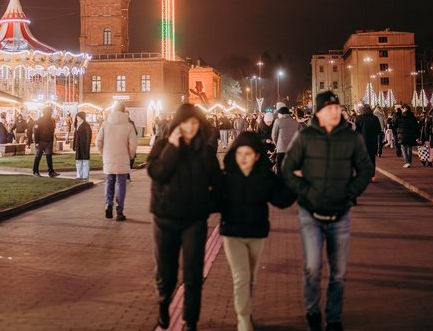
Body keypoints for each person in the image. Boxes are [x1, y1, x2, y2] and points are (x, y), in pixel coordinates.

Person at [282, 91, 372, 331]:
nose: (335, 111)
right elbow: (287, 168)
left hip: (340, 213)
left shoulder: (351, 138)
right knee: (312, 268)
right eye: (329, 108)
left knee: (339, 273)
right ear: (318, 113)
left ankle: (333, 318)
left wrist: (350, 192)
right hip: (310, 213)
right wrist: (305, 192)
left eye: (337, 108)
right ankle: (312, 310)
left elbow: (365, 168)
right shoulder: (305, 137)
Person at [148, 104, 222, 331]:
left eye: (194, 122)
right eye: (185, 122)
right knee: (166, 273)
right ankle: (163, 301)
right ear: (176, 125)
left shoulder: (205, 151)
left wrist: (205, 205)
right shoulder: (162, 145)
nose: (190, 127)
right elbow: (157, 172)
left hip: (194, 221)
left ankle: (191, 321)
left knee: (193, 274)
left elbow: (217, 184)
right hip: (165, 219)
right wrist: (173, 146)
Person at [219, 131, 296, 331]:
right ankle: (243, 319)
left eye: (248, 153)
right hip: (232, 234)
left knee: (251, 278)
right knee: (241, 276)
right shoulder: (226, 178)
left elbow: (281, 200)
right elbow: (212, 202)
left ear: (257, 156)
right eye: (239, 154)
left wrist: (295, 181)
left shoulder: (265, 177)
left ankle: (247, 313)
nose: (243, 158)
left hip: (256, 233)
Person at [96, 103, 138, 220]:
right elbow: (133, 144)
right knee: (121, 184)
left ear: (113, 110)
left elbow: (98, 142)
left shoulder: (105, 124)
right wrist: (130, 155)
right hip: (123, 157)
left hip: (109, 157)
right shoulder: (128, 126)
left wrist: (104, 153)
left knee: (109, 181)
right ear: (124, 111)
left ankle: (108, 204)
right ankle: (119, 210)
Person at [354, 103, 382, 182]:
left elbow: (357, 131)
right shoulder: (375, 118)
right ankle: (371, 175)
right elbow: (379, 130)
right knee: (372, 159)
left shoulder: (359, 118)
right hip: (373, 142)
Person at [272, 103, 301, 172]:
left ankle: (280, 182)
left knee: (280, 170)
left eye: (278, 113)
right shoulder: (295, 122)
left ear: (281, 114)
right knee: (291, 170)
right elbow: (300, 135)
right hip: (292, 150)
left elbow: (274, 136)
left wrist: (277, 144)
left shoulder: (277, 121)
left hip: (281, 149)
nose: (278, 115)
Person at [32, 107, 58, 177]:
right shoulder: (40, 120)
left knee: (49, 157)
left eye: (51, 112)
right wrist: (36, 141)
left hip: (48, 141)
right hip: (41, 141)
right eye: (49, 111)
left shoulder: (51, 120)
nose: (50, 113)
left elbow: (52, 131)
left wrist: (52, 141)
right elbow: (36, 131)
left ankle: (51, 172)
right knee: (38, 156)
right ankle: (35, 171)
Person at [397, 104, 419, 168]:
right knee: (409, 148)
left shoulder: (401, 117)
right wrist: (417, 135)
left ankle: (407, 162)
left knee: (404, 149)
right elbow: (416, 127)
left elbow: (396, 125)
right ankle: (409, 161)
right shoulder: (413, 117)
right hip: (411, 135)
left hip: (402, 135)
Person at [73, 111, 92, 180]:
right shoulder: (76, 125)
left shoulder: (86, 125)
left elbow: (88, 136)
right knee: (78, 161)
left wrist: (87, 146)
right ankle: (79, 175)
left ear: (82, 117)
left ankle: (85, 175)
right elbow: (75, 136)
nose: (77, 118)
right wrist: (74, 145)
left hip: (84, 145)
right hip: (78, 146)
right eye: (76, 117)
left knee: (85, 161)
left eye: (78, 117)